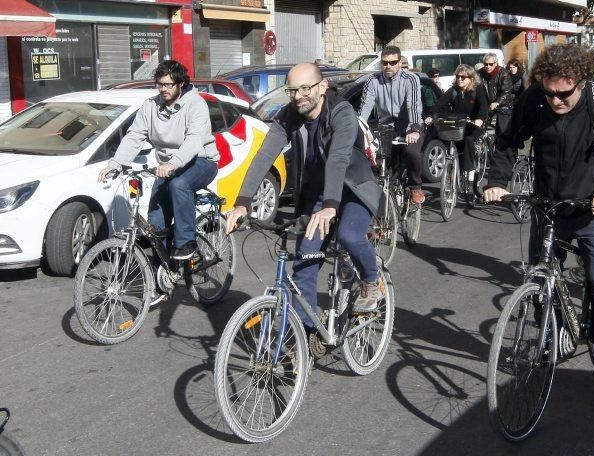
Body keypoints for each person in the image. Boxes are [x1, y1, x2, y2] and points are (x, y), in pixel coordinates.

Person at [484, 43, 594, 386]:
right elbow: (507, 140)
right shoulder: (534, 99)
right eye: (550, 93)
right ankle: (552, 332)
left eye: (564, 94)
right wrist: (497, 182)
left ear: (580, 80)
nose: (556, 101)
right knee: (540, 276)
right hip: (549, 205)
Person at [225, 63, 385, 328]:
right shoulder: (290, 114)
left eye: (304, 88)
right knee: (304, 265)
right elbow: (265, 154)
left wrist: (331, 206)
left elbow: (338, 158)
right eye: (292, 90)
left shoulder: (341, 113)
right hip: (318, 195)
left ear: (322, 87)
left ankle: (371, 279)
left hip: (352, 188)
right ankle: (306, 335)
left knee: (349, 235)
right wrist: (243, 203)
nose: (298, 95)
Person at [98, 60, 219, 260]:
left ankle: (186, 243)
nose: (163, 89)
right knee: (156, 220)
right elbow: (135, 135)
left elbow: (194, 140)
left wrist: (173, 163)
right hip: (168, 166)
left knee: (179, 185)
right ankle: (159, 274)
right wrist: (116, 164)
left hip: (201, 161)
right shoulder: (150, 106)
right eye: (160, 84)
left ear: (181, 84)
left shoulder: (196, 104)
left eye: (168, 85)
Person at [358, 46, 426, 204]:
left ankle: (415, 187)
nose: (388, 66)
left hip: (410, 126)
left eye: (392, 62)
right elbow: (364, 108)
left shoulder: (410, 79)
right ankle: (387, 217)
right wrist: (358, 128)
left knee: (412, 152)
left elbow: (413, 106)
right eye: (384, 62)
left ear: (400, 63)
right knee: (383, 168)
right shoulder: (373, 80)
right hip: (387, 127)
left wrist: (415, 129)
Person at [424, 64, 489, 205]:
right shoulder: (453, 91)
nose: (459, 79)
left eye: (463, 77)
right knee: (449, 143)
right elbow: (440, 103)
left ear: (471, 79)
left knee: (468, 142)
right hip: (457, 125)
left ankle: (470, 182)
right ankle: (452, 174)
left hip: (471, 125)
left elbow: (483, 106)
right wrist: (431, 115)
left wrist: (480, 119)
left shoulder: (477, 90)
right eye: (457, 76)